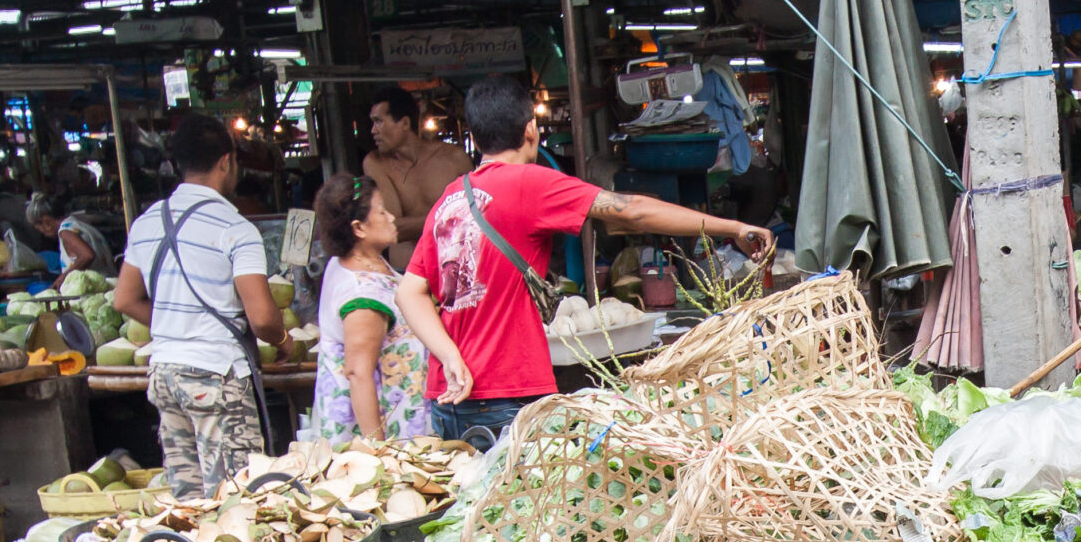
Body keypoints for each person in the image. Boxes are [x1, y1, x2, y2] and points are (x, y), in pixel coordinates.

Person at [395, 74, 774, 445]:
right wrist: (732, 227)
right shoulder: (529, 182)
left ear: (475, 138)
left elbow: (409, 293)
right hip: (506, 394)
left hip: (448, 397)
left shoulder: (450, 199)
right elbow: (632, 211)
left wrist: (450, 357)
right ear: (531, 130)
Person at [112, 114, 287, 498]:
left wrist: (176, 323)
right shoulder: (235, 228)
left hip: (164, 373)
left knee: (189, 500)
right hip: (216, 375)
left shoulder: (146, 222)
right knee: (238, 499)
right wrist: (284, 340)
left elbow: (124, 299)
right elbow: (262, 319)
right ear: (226, 161)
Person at [308, 174, 433, 444]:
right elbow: (359, 373)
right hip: (384, 434)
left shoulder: (354, 263)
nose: (391, 217)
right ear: (359, 228)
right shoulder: (364, 294)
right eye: (381, 211)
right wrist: (376, 448)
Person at [360, 85, 472, 271]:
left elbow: (478, 215)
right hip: (406, 273)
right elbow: (393, 227)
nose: (373, 130)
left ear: (404, 123)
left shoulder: (454, 158)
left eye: (378, 121)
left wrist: (462, 216)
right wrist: (451, 217)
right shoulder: (375, 163)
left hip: (457, 271)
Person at [30, 194, 114, 276]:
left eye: (38, 229)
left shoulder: (65, 232)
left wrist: (62, 278)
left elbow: (87, 256)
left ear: (46, 222)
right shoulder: (83, 226)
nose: (42, 233)